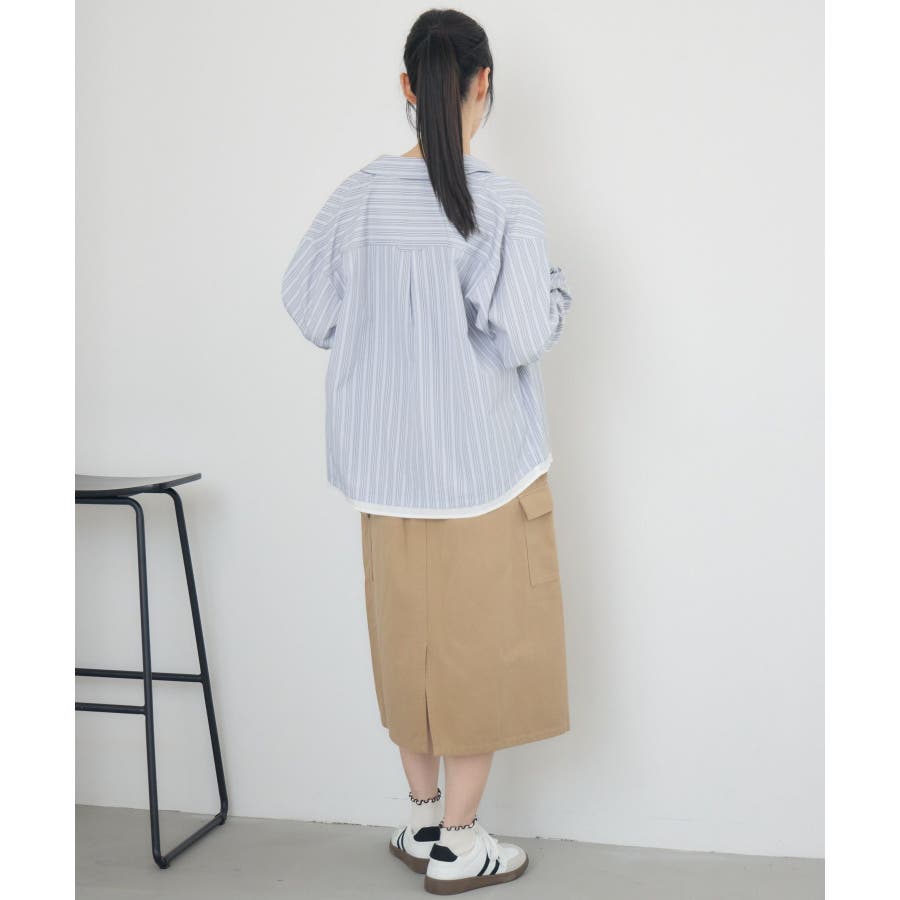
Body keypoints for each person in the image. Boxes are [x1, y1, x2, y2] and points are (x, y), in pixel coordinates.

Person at [281, 8, 573, 894]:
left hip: (385, 473)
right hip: (481, 472)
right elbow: (523, 334)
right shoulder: (504, 206)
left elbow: (307, 305)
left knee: (407, 645)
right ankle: (459, 838)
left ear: (407, 86)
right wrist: (557, 296)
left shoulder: (357, 198)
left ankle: (419, 815)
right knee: (479, 652)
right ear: (484, 84)